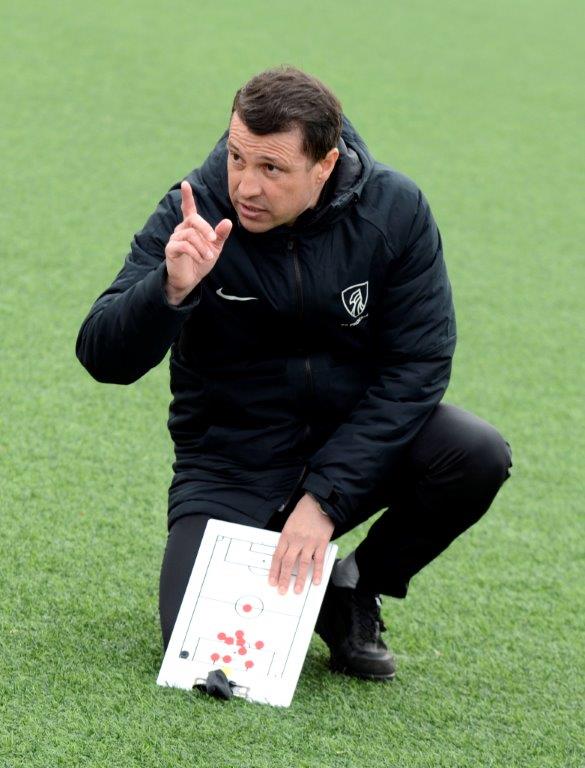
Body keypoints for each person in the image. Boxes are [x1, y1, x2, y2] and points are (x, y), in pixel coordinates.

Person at [76, 66, 512, 681]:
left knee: (474, 452)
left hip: (349, 445)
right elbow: (102, 356)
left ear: (325, 165)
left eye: (272, 169)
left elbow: (418, 366)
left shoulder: (396, 210)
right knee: (200, 652)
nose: (246, 186)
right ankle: (301, 577)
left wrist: (326, 500)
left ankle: (356, 587)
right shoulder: (192, 211)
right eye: (237, 157)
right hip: (232, 463)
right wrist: (168, 289)